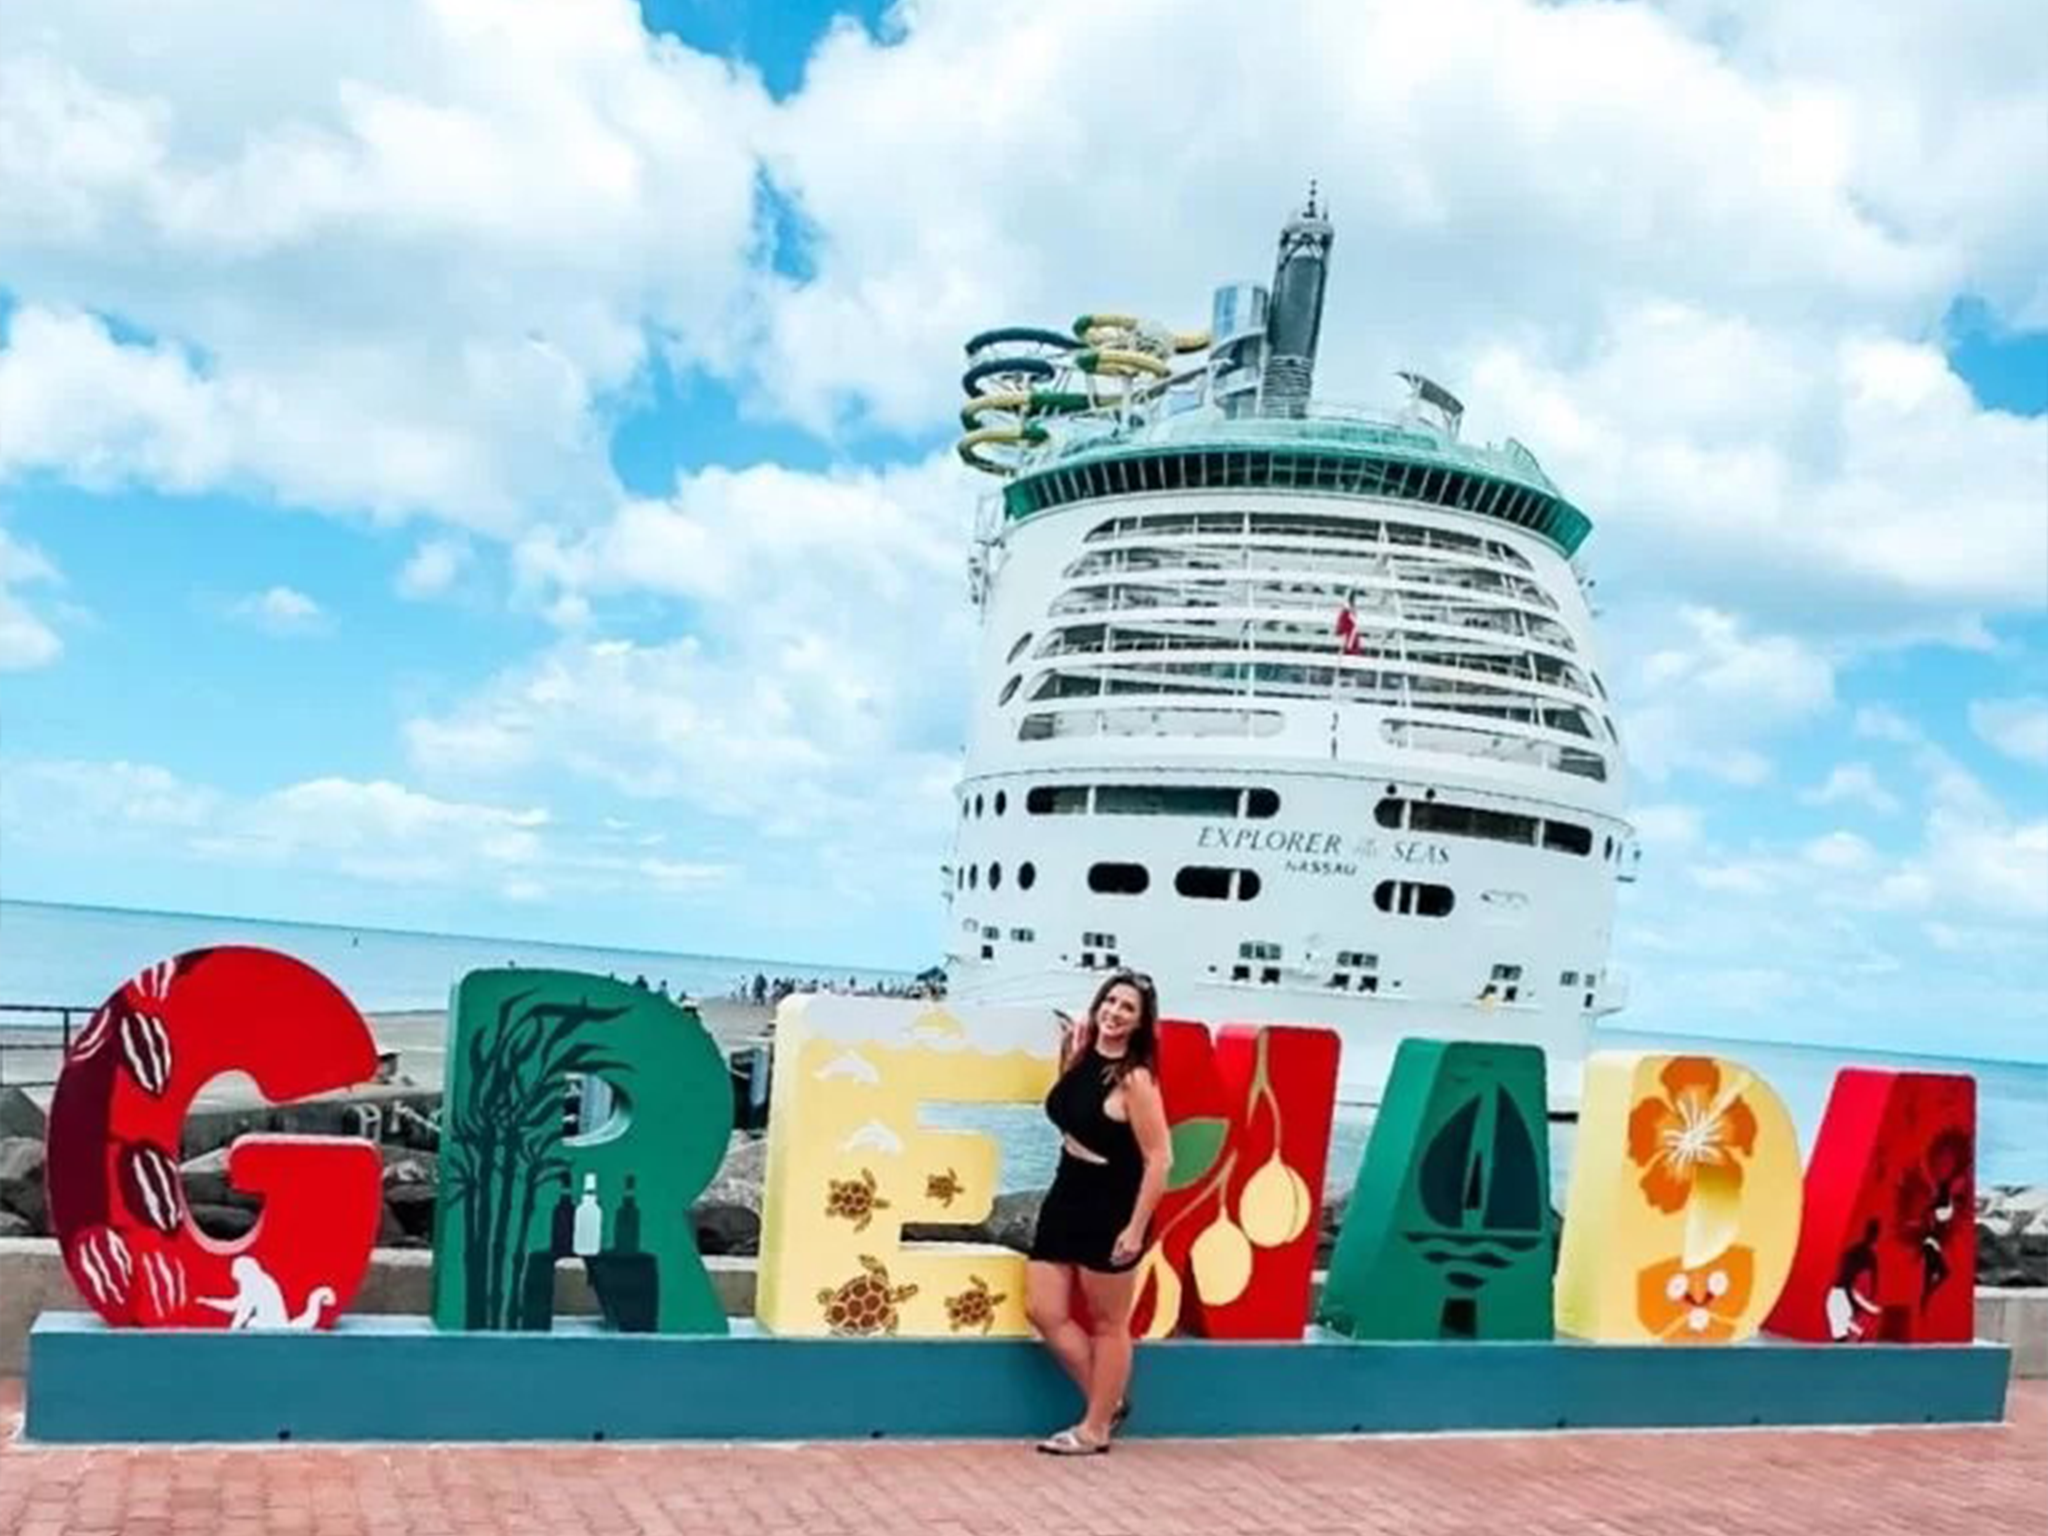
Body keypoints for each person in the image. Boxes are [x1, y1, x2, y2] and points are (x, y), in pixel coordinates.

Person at [1025, 969, 1172, 1455]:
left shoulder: (1135, 1079)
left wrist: (1135, 1229)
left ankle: (1094, 1429)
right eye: (1110, 1001)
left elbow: (1159, 1158)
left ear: (1140, 1022)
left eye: (1127, 1008)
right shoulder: (1082, 1056)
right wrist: (1068, 1052)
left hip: (1110, 1205)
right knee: (1044, 1311)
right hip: (1065, 1191)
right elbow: (1069, 1110)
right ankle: (1107, 1403)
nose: (1115, 1012)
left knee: (1109, 1324)